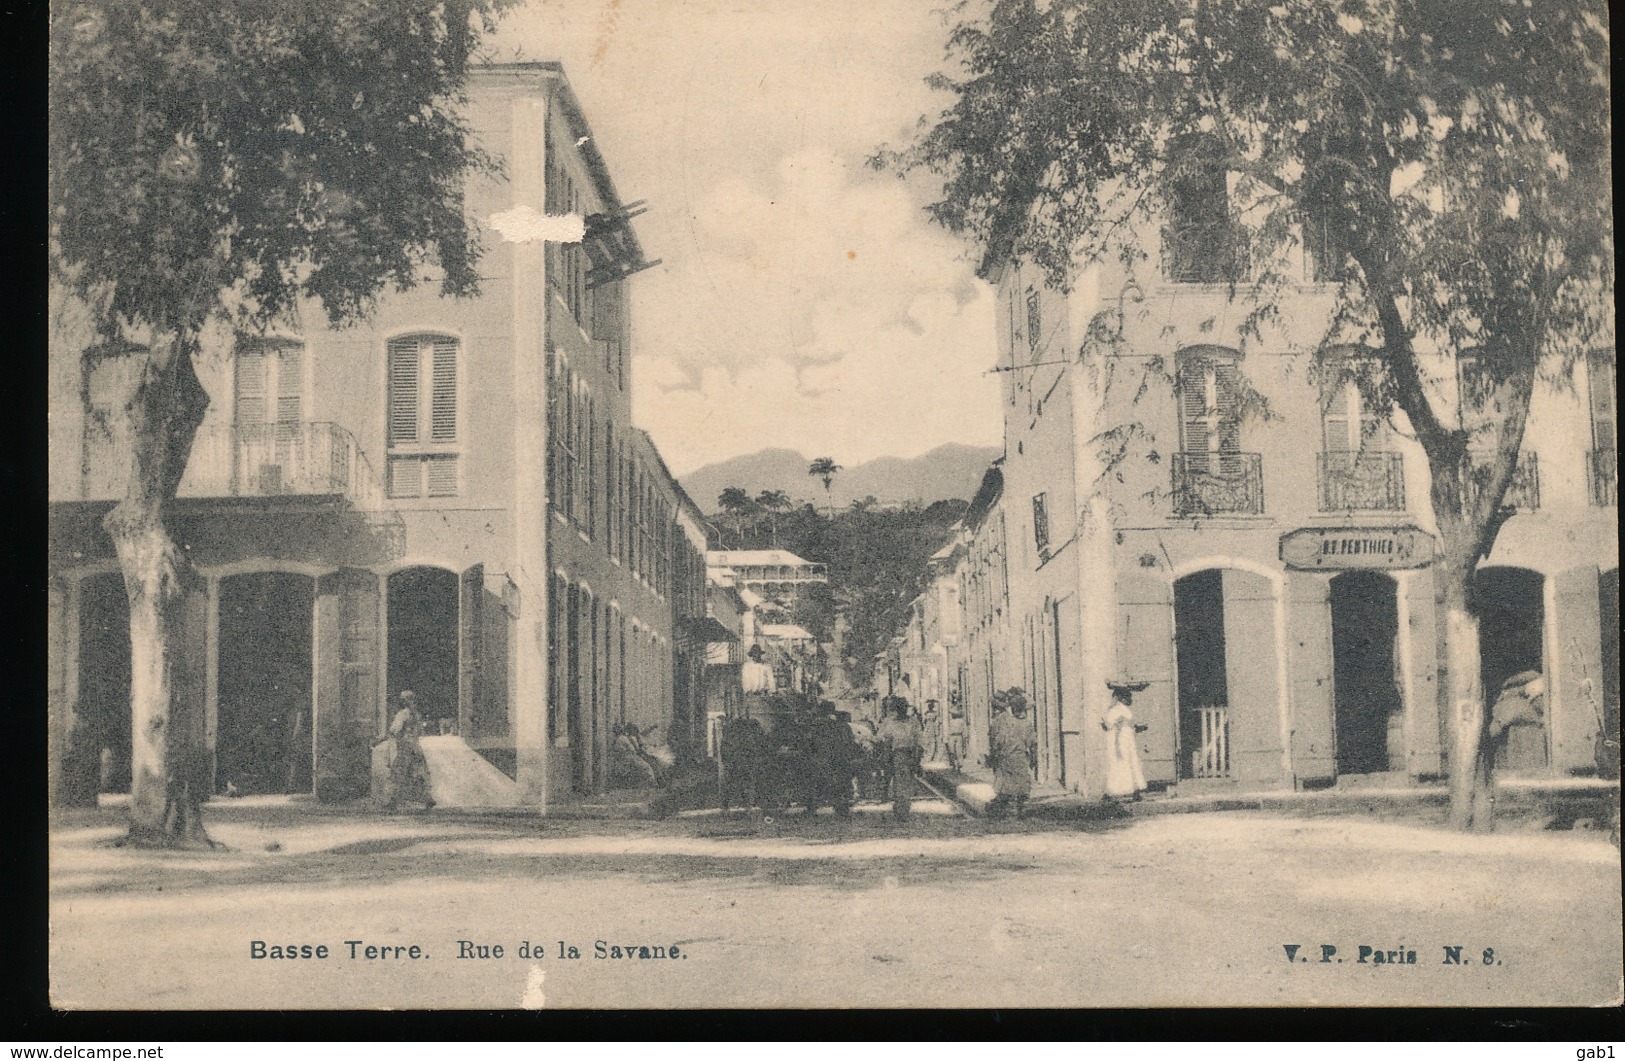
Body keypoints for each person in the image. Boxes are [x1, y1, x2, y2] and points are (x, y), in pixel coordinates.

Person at [987, 687, 1037, 819]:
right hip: (1020, 757)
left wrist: (996, 753)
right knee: (1022, 783)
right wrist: (1033, 758)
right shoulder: (1027, 724)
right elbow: (1032, 743)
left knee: (1007, 784)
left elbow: (999, 741)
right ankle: (1021, 809)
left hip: (1007, 757)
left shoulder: (1007, 722)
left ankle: (1009, 810)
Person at [384, 690, 434, 812]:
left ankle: (393, 800)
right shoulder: (416, 715)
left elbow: (394, 730)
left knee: (399, 772)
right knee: (417, 772)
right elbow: (419, 731)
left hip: (404, 746)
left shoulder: (402, 714)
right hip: (415, 746)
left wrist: (383, 738)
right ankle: (427, 799)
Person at [1102, 680, 1150, 801]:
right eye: (1127, 697)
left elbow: (1126, 725)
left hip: (1126, 740)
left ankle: (1134, 790)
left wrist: (1136, 728)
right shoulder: (1117, 710)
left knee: (1131, 763)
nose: (1130, 699)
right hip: (1120, 741)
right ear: (1121, 698)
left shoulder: (1121, 709)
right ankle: (1114, 791)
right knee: (1123, 763)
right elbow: (1110, 725)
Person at [875, 696, 923, 818]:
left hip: (910, 754)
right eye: (899, 708)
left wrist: (917, 758)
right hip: (895, 754)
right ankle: (899, 804)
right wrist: (886, 754)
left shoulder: (913, 721)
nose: (902, 710)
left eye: (904, 707)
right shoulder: (890, 722)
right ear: (896, 709)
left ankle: (903, 805)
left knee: (906, 782)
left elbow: (919, 740)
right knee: (897, 780)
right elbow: (883, 739)